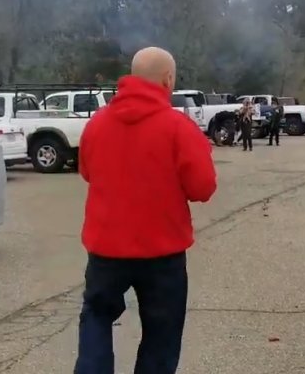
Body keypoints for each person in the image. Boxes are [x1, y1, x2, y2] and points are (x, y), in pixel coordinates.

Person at [73, 46, 217, 374]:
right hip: (161, 253)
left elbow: (87, 172)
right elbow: (202, 188)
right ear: (168, 79)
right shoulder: (178, 127)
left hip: (106, 248)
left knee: (96, 317)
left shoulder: (98, 123)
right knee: (161, 335)